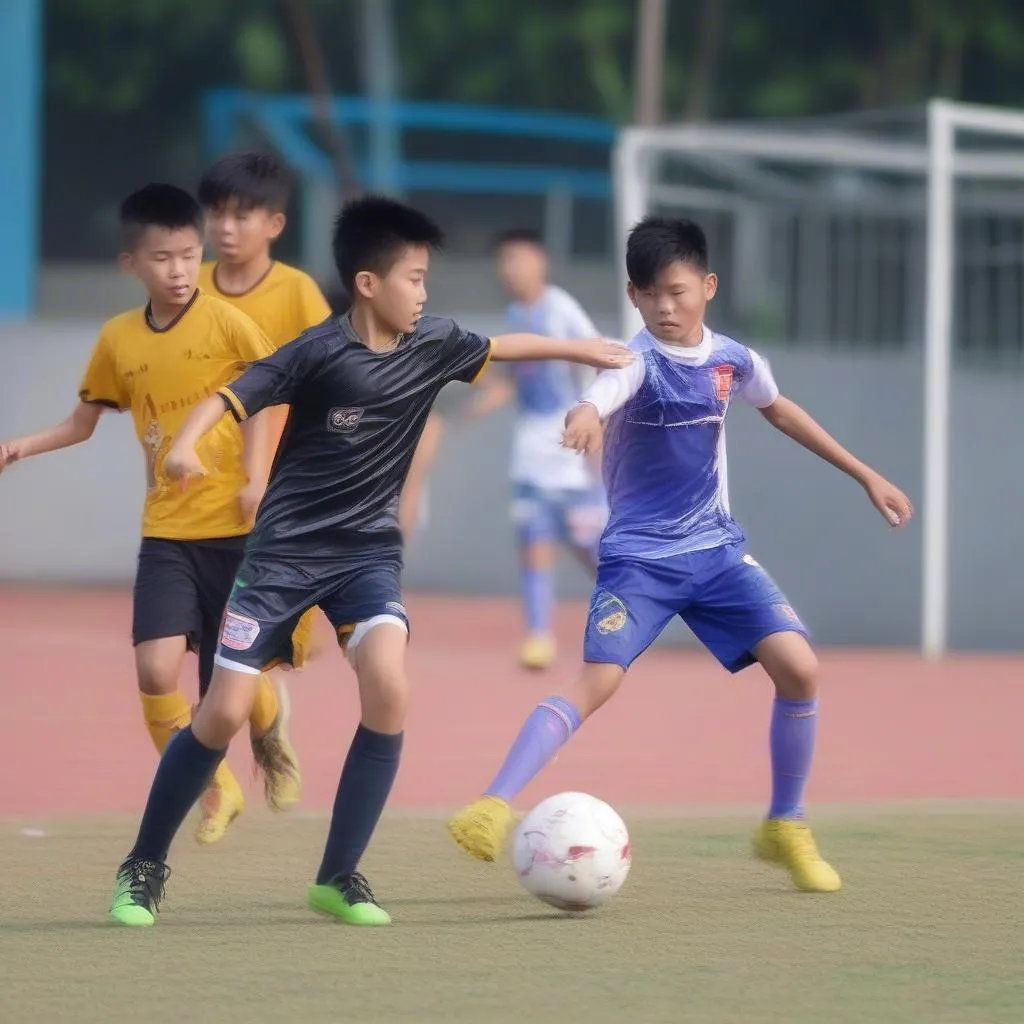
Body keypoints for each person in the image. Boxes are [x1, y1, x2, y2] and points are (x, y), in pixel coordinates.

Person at [106, 194, 633, 928]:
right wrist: (191, 443)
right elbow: (233, 396)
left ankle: (338, 876)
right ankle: (143, 865)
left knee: (388, 684)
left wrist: (586, 350)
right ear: (367, 284)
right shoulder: (316, 352)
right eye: (414, 277)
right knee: (223, 712)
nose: (424, 291)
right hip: (283, 556)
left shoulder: (435, 342)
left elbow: (502, 347)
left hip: (365, 555)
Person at [448, 215, 914, 894]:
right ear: (633, 297)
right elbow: (604, 393)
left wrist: (866, 473)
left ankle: (786, 824)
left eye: (678, 291)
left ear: (708, 286)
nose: (665, 306)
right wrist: (583, 416)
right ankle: (491, 805)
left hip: (718, 554)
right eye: (650, 293)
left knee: (801, 670)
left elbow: (780, 410)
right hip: (638, 560)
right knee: (599, 682)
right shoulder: (634, 360)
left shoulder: (735, 360)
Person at [0, 184, 299, 844]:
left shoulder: (225, 321)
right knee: (154, 670)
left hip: (239, 530)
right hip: (167, 532)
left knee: (236, 680)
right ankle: (211, 785)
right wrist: (23, 446)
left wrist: (255, 477)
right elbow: (84, 423)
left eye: (190, 256)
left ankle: (269, 725)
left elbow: (270, 390)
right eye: (163, 258)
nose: (180, 270)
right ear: (130, 264)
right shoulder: (117, 340)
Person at [198, 149, 337, 807]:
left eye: (242, 215)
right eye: (216, 214)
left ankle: (264, 722)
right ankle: (255, 733)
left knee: (257, 639)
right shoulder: (188, 286)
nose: (226, 228)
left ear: (275, 223)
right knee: (210, 638)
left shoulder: (297, 295)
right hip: (199, 490)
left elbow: (332, 379)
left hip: (282, 492)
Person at [467, 229, 608, 669]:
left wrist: (595, 430)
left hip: (570, 450)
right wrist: (491, 395)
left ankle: (637, 614)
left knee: (599, 552)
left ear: (540, 261)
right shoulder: (515, 313)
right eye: (504, 261)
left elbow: (599, 357)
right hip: (530, 453)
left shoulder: (560, 308)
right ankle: (539, 637)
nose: (511, 269)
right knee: (534, 541)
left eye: (520, 259)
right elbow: (518, 376)